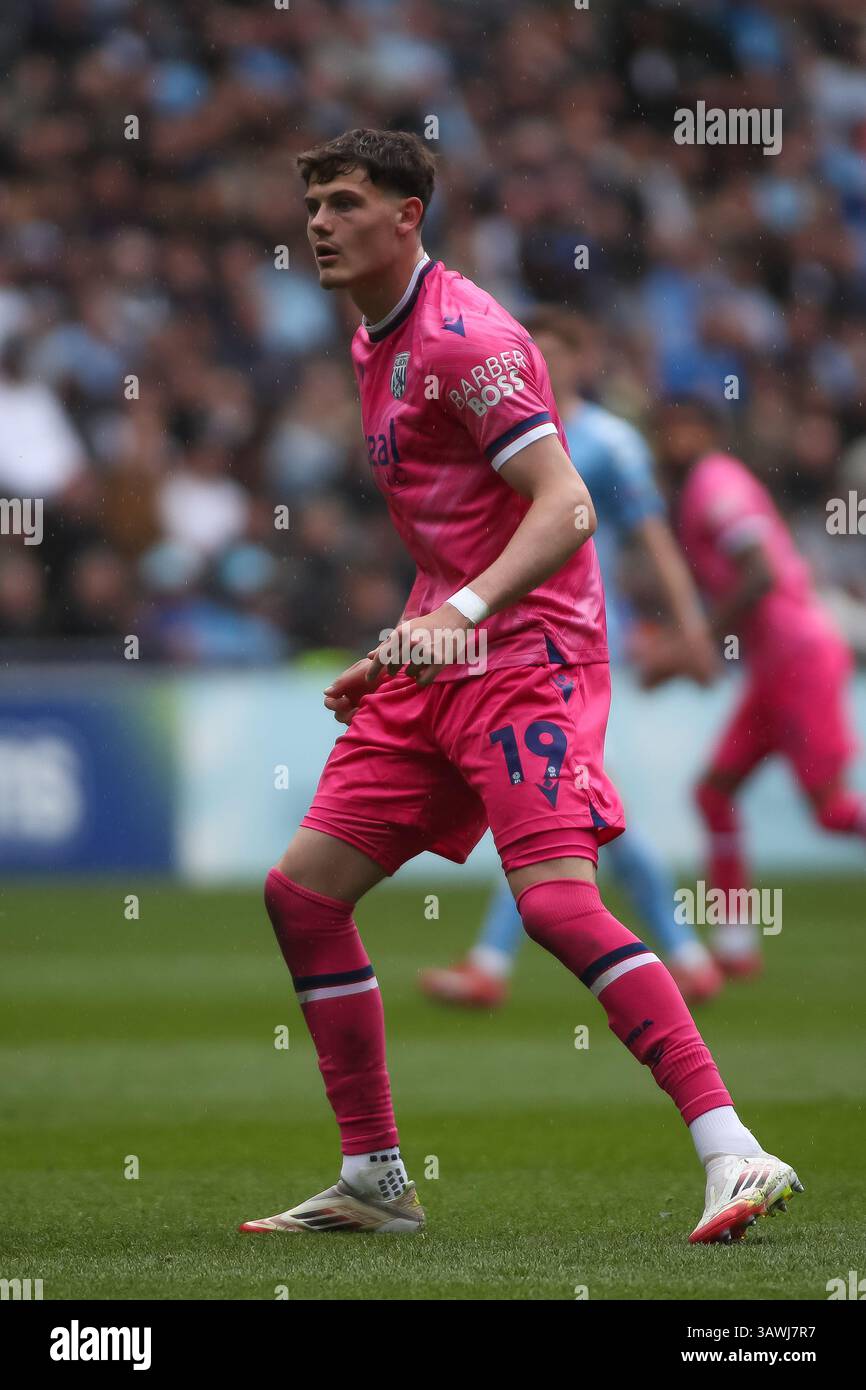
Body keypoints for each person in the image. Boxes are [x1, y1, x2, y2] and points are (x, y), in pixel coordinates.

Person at [239, 130, 801, 1244]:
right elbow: (457, 529)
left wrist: (450, 621)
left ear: (408, 216)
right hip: (437, 654)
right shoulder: (372, 341)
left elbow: (564, 506)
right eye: (311, 201)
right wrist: (404, 641)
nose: (317, 221)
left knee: (552, 902)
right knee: (302, 891)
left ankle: (734, 1149)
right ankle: (374, 1175)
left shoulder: (466, 339)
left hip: (527, 657)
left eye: (344, 202)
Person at [419, 308, 723, 1010]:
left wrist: (691, 628)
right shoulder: (495, 432)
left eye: (557, 355)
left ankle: (492, 964)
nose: (542, 367)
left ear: (584, 363)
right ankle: (688, 954)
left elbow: (654, 542)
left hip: (576, 644)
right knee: (571, 801)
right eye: (534, 355)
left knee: (545, 795)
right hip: (506, 640)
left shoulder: (609, 443)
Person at [651, 397, 865, 976]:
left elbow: (761, 573)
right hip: (774, 666)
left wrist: (695, 642)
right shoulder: (690, 493)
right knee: (713, 795)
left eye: (684, 425)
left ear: (707, 431)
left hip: (800, 656)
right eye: (665, 427)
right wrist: (698, 655)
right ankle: (737, 945)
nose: (672, 439)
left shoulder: (714, 482)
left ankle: (735, 941)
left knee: (833, 812)